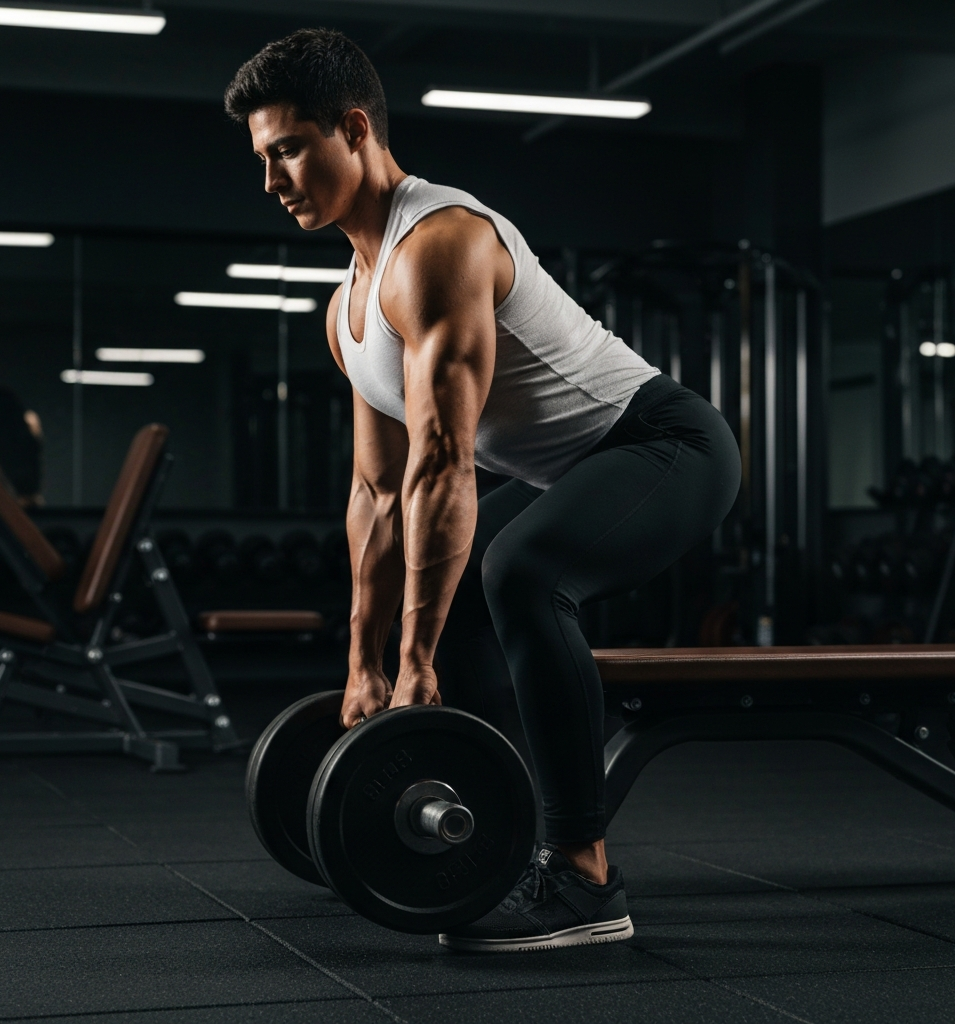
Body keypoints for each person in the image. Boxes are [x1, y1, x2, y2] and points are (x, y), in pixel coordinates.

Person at [225, 29, 740, 952]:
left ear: (354, 129)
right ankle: (490, 830)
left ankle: (585, 876)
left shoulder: (442, 242)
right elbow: (377, 494)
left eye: (288, 150)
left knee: (519, 572)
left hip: (667, 446)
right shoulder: (346, 312)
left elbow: (442, 459)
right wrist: (365, 662)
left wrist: (415, 659)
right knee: (469, 582)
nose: (272, 181)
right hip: (571, 469)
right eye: (262, 159)